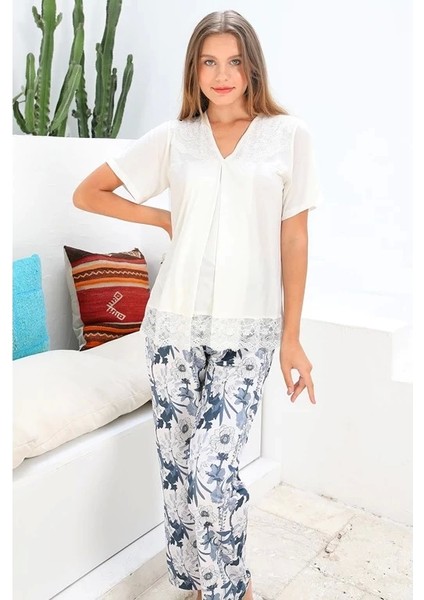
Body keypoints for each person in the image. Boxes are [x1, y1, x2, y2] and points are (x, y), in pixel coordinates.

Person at [73, 9, 322, 600]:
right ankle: (195, 582)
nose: (222, 74)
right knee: (179, 469)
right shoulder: (175, 138)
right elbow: (88, 193)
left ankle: (230, 589)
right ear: (194, 69)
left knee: (213, 470)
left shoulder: (289, 136)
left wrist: (291, 337)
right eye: (209, 61)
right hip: (172, 328)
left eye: (234, 61)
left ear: (252, 66)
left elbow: (294, 239)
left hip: (249, 332)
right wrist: (162, 217)